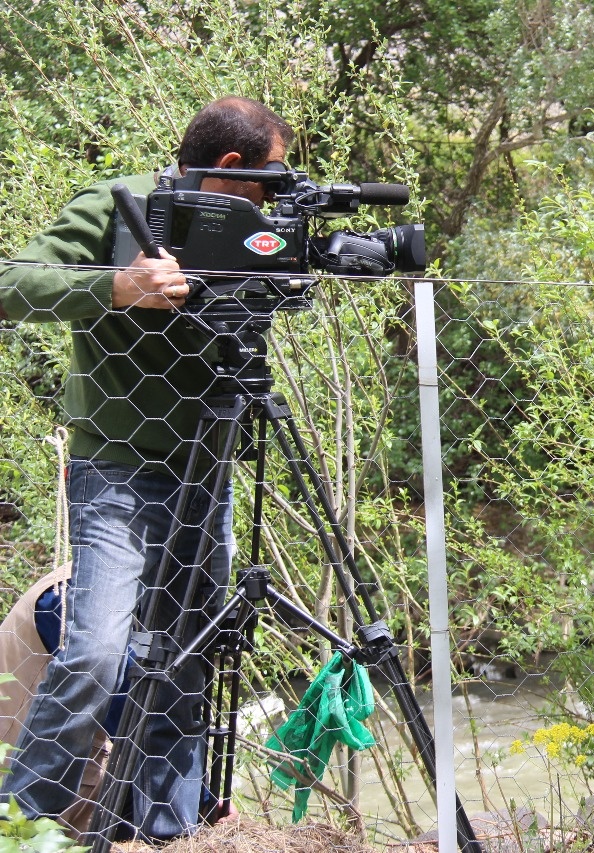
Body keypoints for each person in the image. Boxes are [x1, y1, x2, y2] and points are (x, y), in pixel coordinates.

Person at [0, 96, 294, 838]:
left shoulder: (258, 228)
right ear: (229, 169)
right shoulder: (117, 203)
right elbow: (11, 285)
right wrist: (116, 286)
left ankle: (170, 829)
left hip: (208, 465)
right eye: (271, 177)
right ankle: (20, 822)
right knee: (98, 648)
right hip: (118, 470)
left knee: (187, 657)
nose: (277, 194)